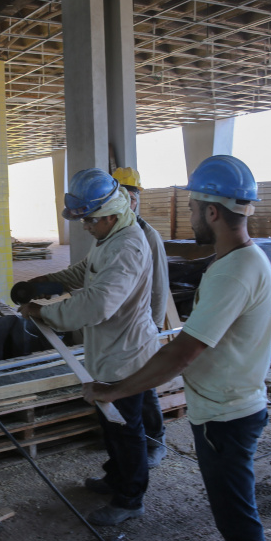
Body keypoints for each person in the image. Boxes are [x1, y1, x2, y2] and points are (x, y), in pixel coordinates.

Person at [84, 155, 271, 541]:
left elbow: (183, 353)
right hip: (231, 406)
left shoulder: (233, 274)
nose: (189, 217)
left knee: (236, 516)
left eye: (191, 209)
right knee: (232, 509)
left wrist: (114, 390)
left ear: (212, 212)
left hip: (227, 416)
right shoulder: (246, 260)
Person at [18, 167, 158, 526]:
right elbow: (86, 272)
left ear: (110, 214)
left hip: (126, 356)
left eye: (90, 220)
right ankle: (116, 478)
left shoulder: (128, 245)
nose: (85, 227)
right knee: (111, 424)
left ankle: (130, 499)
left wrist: (43, 312)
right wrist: (46, 281)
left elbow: (97, 304)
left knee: (126, 431)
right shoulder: (111, 237)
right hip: (109, 350)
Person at [112, 167, 169, 468]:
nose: (126, 201)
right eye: (120, 195)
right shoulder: (113, 233)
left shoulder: (148, 235)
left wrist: (155, 327)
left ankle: (156, 440)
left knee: (144, 386)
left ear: (135, 199)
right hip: (120, 325)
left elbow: (160, 285)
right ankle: (130, 443)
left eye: (130, 195)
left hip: (142, 325)